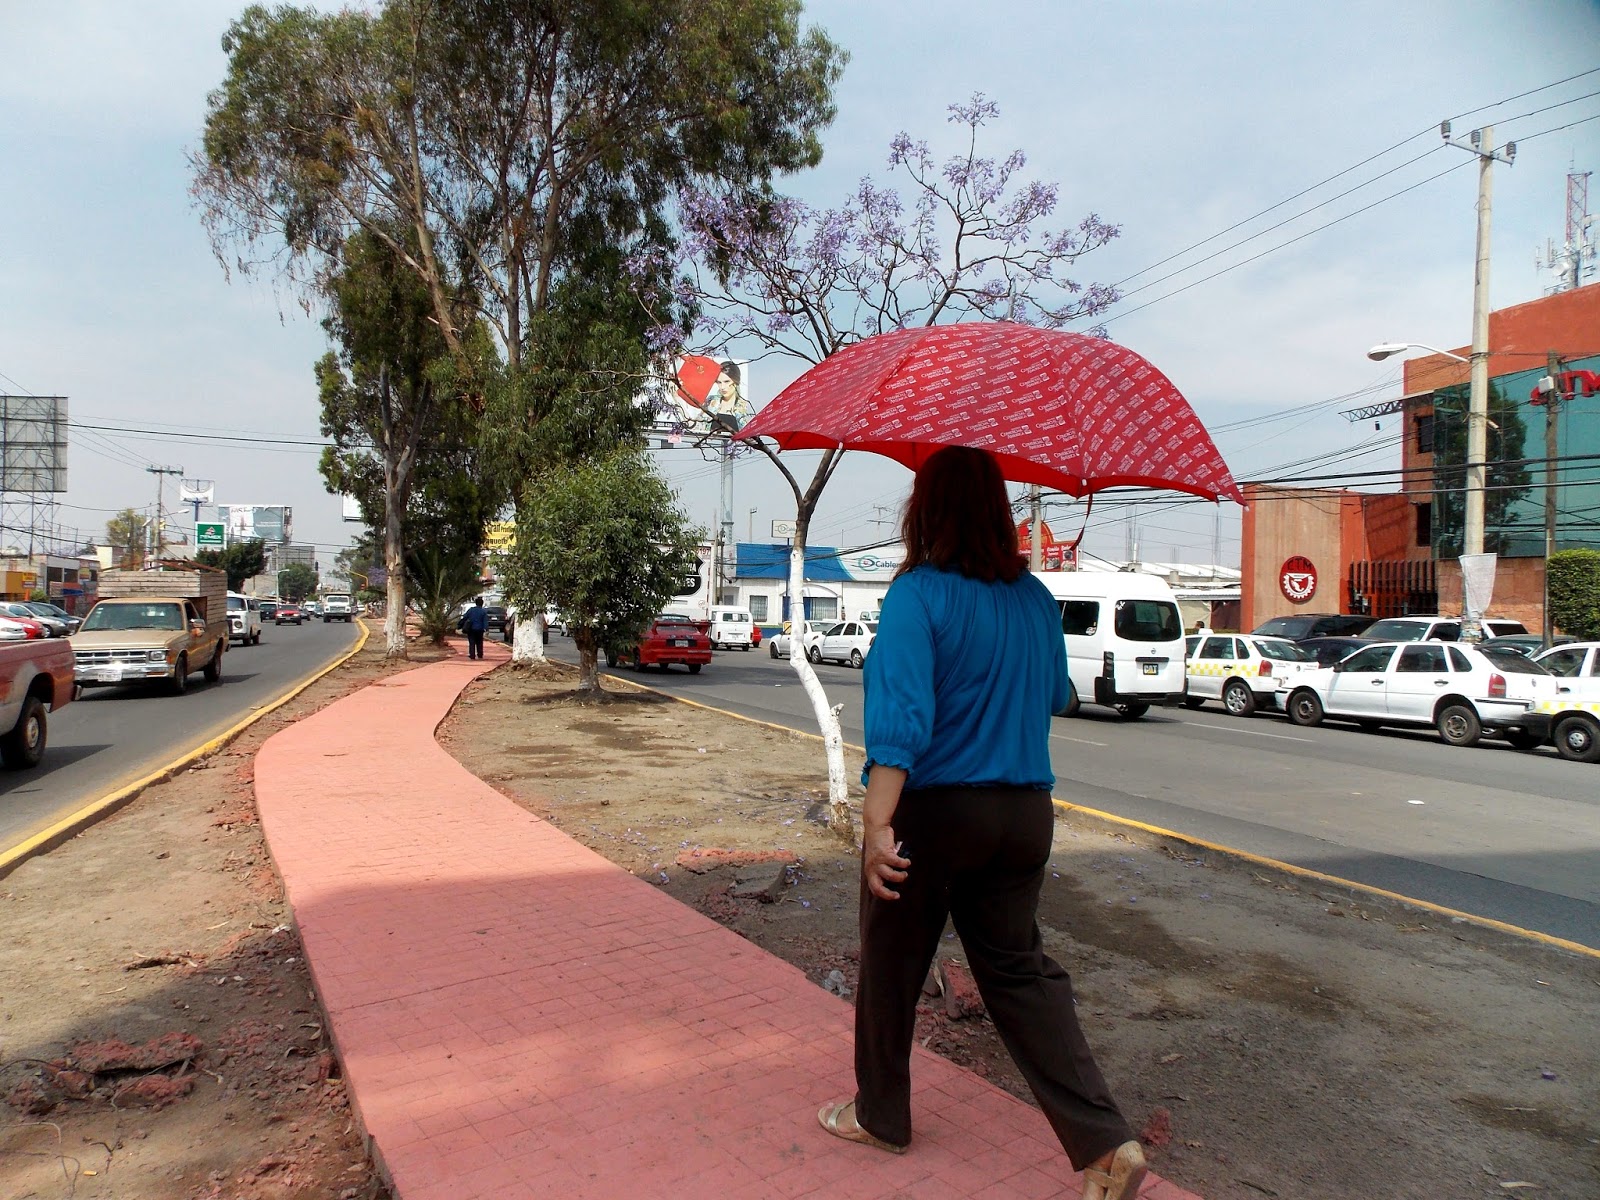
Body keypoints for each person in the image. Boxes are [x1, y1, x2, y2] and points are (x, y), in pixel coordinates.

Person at [816, 446, 1146, 1200]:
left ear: (924, 511)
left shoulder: (916, 596)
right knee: (1019, 973)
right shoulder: (1034, 599)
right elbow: (1057, 693)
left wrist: (874, 827)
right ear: (999, 514)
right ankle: (1103, 1141)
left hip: (935, 812)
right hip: (1025, 813)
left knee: (893, 966)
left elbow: (900, 725)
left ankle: (882, 1117)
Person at [459, 596, 488, 660]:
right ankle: (480, 655)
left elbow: (465, 617)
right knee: (479, 642)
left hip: (471, 629)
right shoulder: (483, 611)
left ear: (476, 603)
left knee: (472, 642)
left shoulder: (471, 610)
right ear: (482, 604)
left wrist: (460, 625)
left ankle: (472, 655)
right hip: (480, 629)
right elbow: (485, 621)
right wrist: (486, 629)